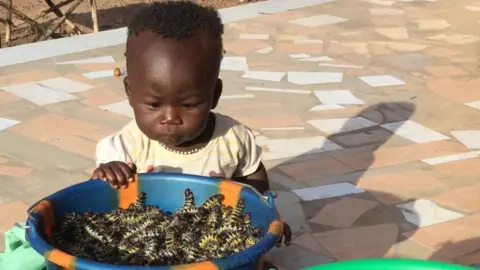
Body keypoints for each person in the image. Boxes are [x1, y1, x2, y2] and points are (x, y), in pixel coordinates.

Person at [91, 0, 291, 250]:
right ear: (130, 92)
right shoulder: (127, 145)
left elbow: (253, 174)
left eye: (188, 105)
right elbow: (100, 189)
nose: (170, 118)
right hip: (148, 241)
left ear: (214, 95)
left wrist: (266, 213)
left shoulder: (232, 138)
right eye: (154, 105)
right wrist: (108, 172)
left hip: (214, 238)